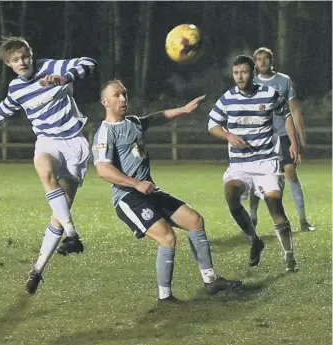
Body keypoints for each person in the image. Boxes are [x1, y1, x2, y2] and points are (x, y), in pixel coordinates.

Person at [0, 36, 97, 295]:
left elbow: (89, 62)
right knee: (44, 169)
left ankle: (38, 269)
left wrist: (66, 77)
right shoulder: (15, 89)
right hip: (47, 142)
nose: (22, 62)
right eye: (15, 60)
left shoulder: (51, 67)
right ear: (9, 64)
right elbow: (1, 110)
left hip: (75, 143)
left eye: (24, 56)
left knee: (58, 213)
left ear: (31, 55)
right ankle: (73, 236)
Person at [92, 79, 242, 302]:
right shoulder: (105, 133)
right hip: (128, 197)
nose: (123, 99)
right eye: (116, 95)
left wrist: (183, 110)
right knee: (167, 238)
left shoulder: (133, 122)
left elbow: (156, 118)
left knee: (194, 221)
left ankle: (211, 281)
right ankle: (165, 297)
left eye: (124, 94)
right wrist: (136, 183)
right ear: (105, 101)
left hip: (149, 192)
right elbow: (103, 170)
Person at [208, 55, 299, 273]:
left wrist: (293, 143)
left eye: (244, 72)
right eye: (236, 72)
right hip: (240, 165)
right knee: (231, 194)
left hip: (266, 162)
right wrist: (228, 136)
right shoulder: (227, 98)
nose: (240, 77)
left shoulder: (268, 94)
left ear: (253, 73)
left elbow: (286, 114)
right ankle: (254, 239)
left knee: (274, 205)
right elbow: (212, 124)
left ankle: (289, 257)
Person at [250, 47, 315, 232]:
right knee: (257, 178)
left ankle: (303, 221)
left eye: (265, 59)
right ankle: (253, 219)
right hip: (261, 137)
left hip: (284, 134)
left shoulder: (284, 80)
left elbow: (294, 110)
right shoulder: (251, 82)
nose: (262, 62)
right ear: (255, 63)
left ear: (272, 61)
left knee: (290, 173)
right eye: (259, 59)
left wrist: (301, 138)